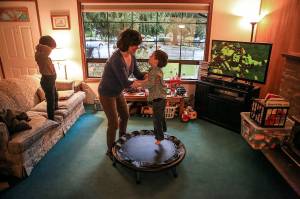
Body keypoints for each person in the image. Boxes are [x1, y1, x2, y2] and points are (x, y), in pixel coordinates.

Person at [98, 29, 146, 158]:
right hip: (106, 92)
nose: (137, 47)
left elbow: (138, 74)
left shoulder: (132, 56)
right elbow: (126, 82)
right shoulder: (116, 59)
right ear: (127, 43)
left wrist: (150, 74)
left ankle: (122, 140)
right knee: (113, 123)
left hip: (118, 91)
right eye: (135, 44)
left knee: (125, 115)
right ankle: (111, 150)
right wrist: (144, 83)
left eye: (138, 44)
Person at [137, 50, 168, 145]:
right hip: (161, 98)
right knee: (160, 116)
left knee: (156, 119)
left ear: (156, 61)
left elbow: (149, 84)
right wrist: (147, 77)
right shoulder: (156, 70)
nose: (149, 56)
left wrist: (139, 85)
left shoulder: (154, 71)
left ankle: (159, 138)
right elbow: (152, 79)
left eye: (151, 56)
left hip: (158, 99)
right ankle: (164, 129)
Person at [35, 35, 58, 121]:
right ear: (46, 46)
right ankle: (51, 119)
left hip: (51, 80)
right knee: (50, 100)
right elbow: (48, 50)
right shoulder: (40, 55)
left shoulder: (43, 54)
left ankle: (55, 110)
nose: (51, 49)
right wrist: (41, 45)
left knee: (55, 95)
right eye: (51, 47)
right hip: (47, 81)